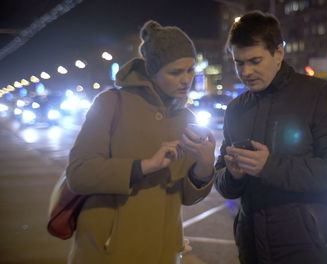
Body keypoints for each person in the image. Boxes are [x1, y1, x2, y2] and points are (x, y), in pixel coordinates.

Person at [65, 20, 216, 264]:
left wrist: (205, 166)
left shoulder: (186, 118)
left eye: (190, 70)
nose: (186, 80)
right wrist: (143, 166)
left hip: (162, 253)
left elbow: (187, 197)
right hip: (109, 250)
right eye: (175, 72)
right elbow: (78, 173)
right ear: (153, 72)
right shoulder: (111, 103)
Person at [215, 11, 327, 264]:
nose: (246, 71)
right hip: (253, 250)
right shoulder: (236, 109)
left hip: (308, 251)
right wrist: (233, 174)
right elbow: (224, 185)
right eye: (239, 63)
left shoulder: (320, 95)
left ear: (278, 53)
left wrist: (269, 166)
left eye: (255, 61)